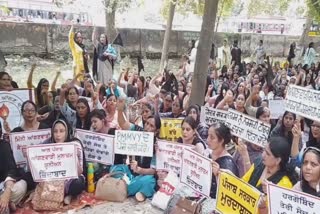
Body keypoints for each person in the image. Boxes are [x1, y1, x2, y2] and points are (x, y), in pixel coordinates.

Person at [115, 99, 160, 202]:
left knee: (151, 181)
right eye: (147, 123)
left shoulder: (156, 145)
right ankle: (132, 188)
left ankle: (125, 188)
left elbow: (153, 171)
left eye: (151, 126)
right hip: (128, 172)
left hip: (142, 175)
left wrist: (139, 170)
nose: (147, 127)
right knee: (115, 169)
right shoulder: (137, 130)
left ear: (156, 131)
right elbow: (123, 124)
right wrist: (120, 110)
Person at [242, 137, 297, 212]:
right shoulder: (259, 163)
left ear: (278, 160)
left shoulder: (284, 184)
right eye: (264, 150)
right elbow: (243, 183)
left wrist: (272, 192)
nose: (263, 155)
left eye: (268, 154)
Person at [42, 119, 86, 204]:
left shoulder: (75, 144)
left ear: (66, 132)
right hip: (52, 179)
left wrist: (74, 156)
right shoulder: (47, 144)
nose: (58, 135)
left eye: (61, 131)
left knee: (79, 183)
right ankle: (60, 195)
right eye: (55, 131)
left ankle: (67, 195)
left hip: (69, 180)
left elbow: (80, 172)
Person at [0, 122, 27, 214]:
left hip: (4, 186)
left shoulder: (4, 146)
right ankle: (5, 204)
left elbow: (11, 170)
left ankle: (5, 202)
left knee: (23, 185)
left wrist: (7, 192)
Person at [209, 122, 239, 198]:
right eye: (208, 135)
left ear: (221, 140)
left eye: (212, 137)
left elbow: (230, 194)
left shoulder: (228, 164)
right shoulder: (207, 153)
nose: (208, 139)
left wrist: (218, 176)